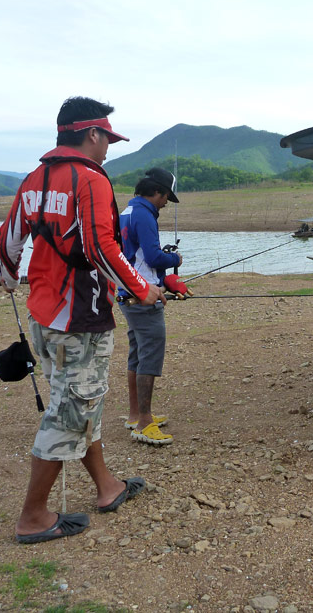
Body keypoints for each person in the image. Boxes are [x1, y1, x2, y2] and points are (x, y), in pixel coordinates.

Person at [0, 96, 166, 544]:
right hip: (80, 320)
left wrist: (12, 280)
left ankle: (107, 487)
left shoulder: (34, 178)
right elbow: (98, 247)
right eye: (107, 137)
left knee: (76, 401)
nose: (109, 146)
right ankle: (33, 516)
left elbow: (7, 243)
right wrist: (140, 288)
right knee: (70, 411)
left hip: (43, 316)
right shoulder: (90, 179)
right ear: (91, 134)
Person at [118, 168, 182, 445]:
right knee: (151, 356)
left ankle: (135, 415)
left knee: (138, 353)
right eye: (166, 196)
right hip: (143, 296)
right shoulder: (144, 215)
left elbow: (135, 257)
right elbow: (154, 256)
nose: (166, 203)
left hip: (127, 292)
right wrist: (176, 259)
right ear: (157, 191)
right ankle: (144, 422)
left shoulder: (127, 211)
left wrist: (163, 276)